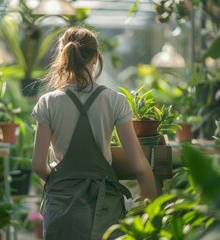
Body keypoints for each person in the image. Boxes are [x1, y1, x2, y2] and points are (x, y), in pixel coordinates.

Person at [31, 26, 158, 240]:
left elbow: (37, 164)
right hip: (103, 208)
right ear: (96, 58)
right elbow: (138, 164)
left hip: (61, 207)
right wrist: (153, 208)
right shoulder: (115, 100)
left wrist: (59, 179)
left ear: (63, 57)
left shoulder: (48, 102)